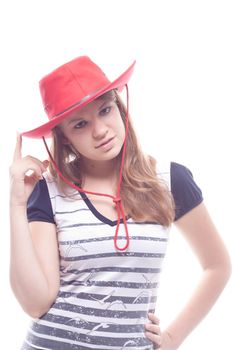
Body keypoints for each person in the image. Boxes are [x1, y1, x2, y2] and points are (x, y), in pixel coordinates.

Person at [9, 55, 231, 350]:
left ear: (120, 107)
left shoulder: (170, 179)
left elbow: (217, 265)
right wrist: (16, 204)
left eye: (105, 110)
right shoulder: (49, 191)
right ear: (64, 138)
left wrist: (172, 339)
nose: (100, 130)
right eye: (80, 124)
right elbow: (36, 303)